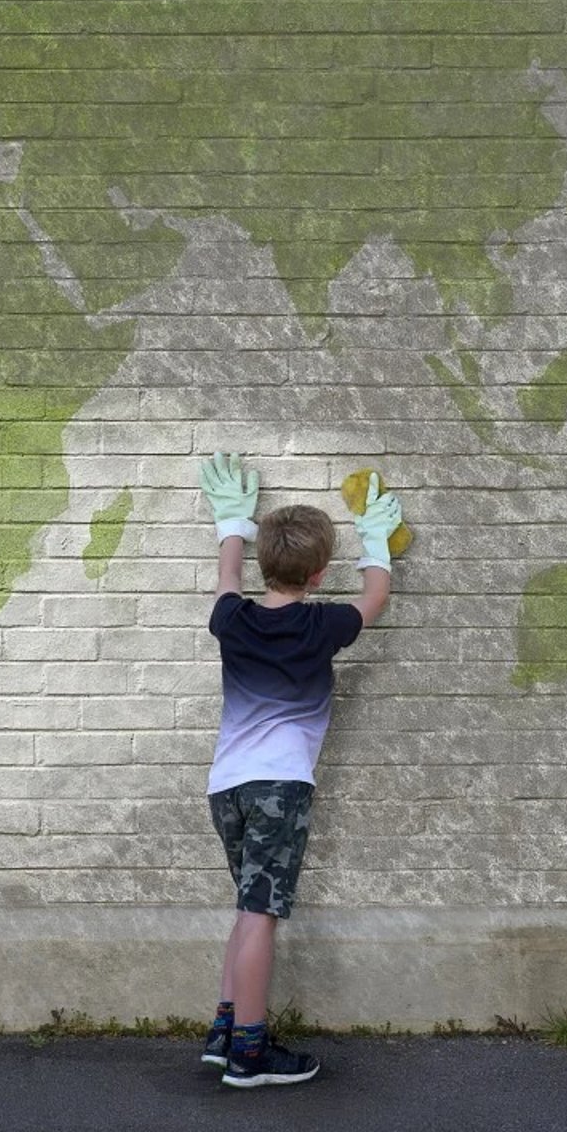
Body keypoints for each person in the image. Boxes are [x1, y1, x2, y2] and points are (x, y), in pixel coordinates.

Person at [195, 451, 402, 1088]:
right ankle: (251, 1055)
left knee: (246, 907)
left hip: (226, 787)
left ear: (265, 562)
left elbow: (228, 572)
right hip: (280, 786)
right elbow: (377, 595)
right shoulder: (323, 623)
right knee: (261, 912)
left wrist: (232, 518)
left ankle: (226, 1030)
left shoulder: (231, 619)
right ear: (317, 574)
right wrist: (375, 535)